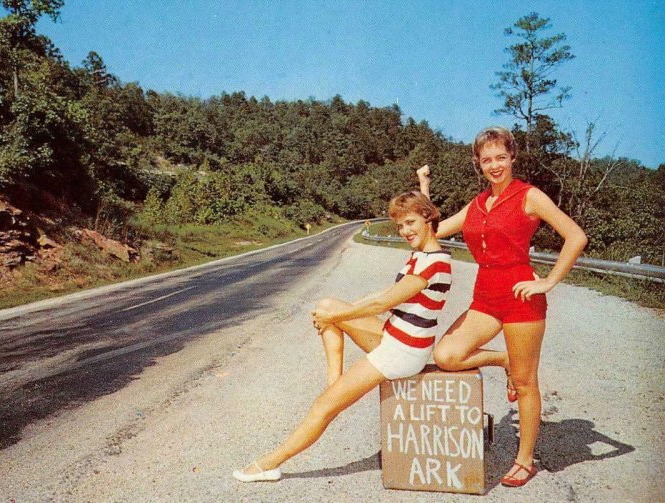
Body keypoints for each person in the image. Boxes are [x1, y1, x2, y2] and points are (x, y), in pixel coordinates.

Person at [233, 191, 452, 482]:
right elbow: (381, 296)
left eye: (410, 222)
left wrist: (338, 318)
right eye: (400, 225)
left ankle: (268, 464)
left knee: (323, 406)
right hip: (396, 336)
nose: (405, 231)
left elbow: (381, 304)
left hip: (403, 351)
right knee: (326, 305)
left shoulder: (434, 262)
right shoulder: (421, 256)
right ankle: (334, 384)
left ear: (428, 219)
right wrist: (339, 312)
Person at [417, 127, 587, 488]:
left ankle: (525, 459)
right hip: (485, 297)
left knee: (526, 384)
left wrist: (549, 281)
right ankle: (504, 359)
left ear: (512, 158)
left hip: (522, 299)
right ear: (478, 164)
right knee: (447, 355)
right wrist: (425, 189)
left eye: (500, 157)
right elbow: (432, 230)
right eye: (486, 159)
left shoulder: (530, 196)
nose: (494, 165)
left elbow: (576, 236)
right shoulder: (476, 204)